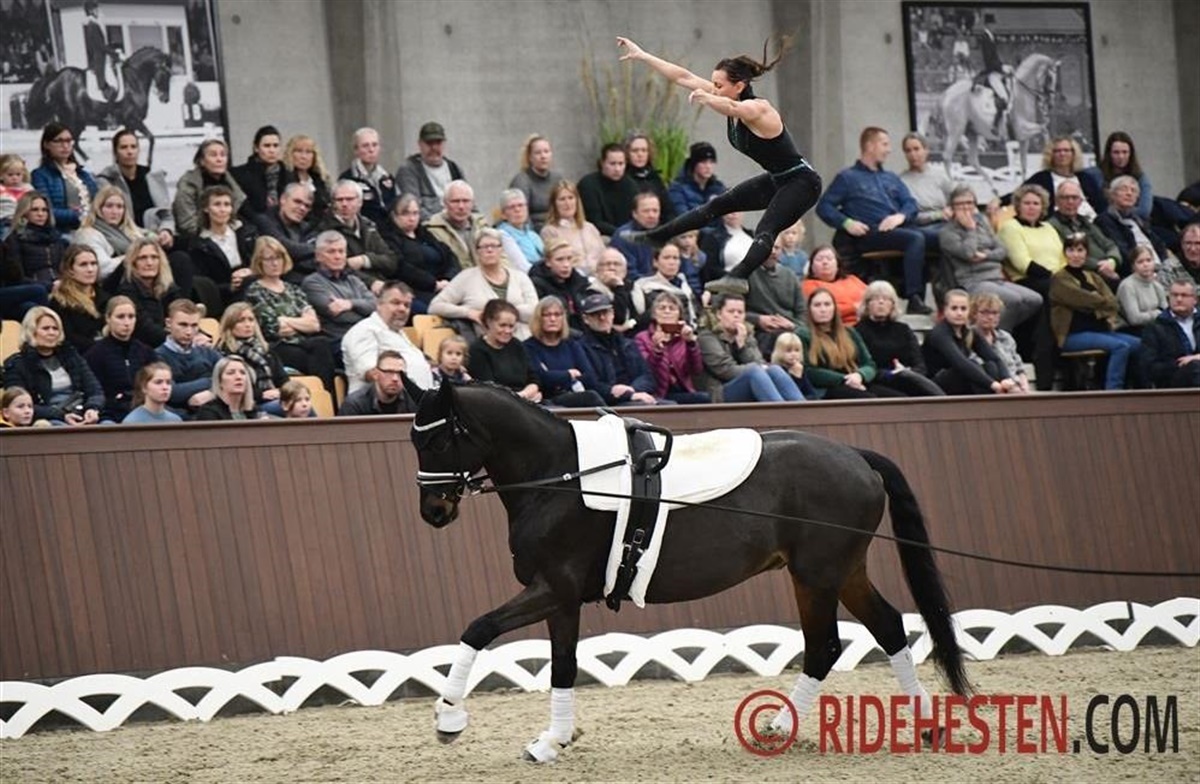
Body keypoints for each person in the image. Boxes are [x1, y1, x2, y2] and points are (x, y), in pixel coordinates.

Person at [618, 36, 822, 298]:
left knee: (766, 228)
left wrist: (707, 98)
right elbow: (683, 76)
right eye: (712, 84)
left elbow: (731, 106)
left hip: (803, 182)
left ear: (739, 86)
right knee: (717, 205)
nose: (713, 89)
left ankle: (738, 278)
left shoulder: (759, 109)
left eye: (719, 85)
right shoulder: (723, 96)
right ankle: (658, 236)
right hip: (778, 179)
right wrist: (643, 55)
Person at [816, 127, 931, 314]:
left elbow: (910, 203)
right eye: (885, 144)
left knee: (938, 238)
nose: (889, 150)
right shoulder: (848, 177)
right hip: (870, 234)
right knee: (915, 239)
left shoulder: (891, 178)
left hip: (898, 228)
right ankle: (914, 298)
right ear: (870, 146)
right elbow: (824, 206)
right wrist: (847, 223)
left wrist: (899, 216)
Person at [941, 185, 1042, 332]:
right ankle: (996, 336)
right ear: (952, 207)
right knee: (1013, 300)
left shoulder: (982, 222)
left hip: (996, 278)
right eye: (960, 204)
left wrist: (986, 255)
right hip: (973, 281)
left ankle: (997, 331)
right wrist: (970, 229)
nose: (966, 208)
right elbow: (968, 253)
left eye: (969, 203)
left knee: (1034, 300)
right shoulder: (947, 232)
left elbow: (1002, 250)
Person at [242, 237, 337, 394]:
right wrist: (300, 323)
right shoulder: (255, 291)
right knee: (317, 354)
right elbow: (275, 329)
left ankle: (323, 397)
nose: (275, 263)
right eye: (269, 259)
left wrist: (286, 320)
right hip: (277, 346)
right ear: (259, 262)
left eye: (278, 257)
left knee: (321, 344)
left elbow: (314, 325)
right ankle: (321, 396)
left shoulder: (293, 289)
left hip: (303, 343)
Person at [1049, 233, 1141, 390]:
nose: (1076, 255)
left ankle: (1139, 388)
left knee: (1140, 344)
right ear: (1065, 253)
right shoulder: (1059, 279)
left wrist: (1094, 302)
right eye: (1071, 250)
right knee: (1120, 347)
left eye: (1080, 250)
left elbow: (1113, 303)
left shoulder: (1093, 276)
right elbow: (1080, 299)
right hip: (1072, 335)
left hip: (1100, 331)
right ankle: (1113, 392)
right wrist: (1097, 301)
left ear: (1086, 253)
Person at [429, 228, 538, 340]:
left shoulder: (520, 277)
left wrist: (505, 313)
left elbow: (535, 311)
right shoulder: (466, 277)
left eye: (494, 246)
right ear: (477, 251)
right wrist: (468, 312)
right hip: (485, 342)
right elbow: (435, 306)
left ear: (501, 249)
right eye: (484, 247)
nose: (489, 250)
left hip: (523, 340)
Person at [2, 306, 105, 424]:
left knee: (108, 425)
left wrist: (92, 408)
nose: (51, 333)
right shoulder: (16, 364)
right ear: (31, 331)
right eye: (45, 328)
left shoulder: (72, 356)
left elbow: (95, 391)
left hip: (81, 413)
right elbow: (17, 405)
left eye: (55, 328)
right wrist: (62, 416)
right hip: (47, 420)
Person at [700, 291, 807, 402]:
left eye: (740, 312)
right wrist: (757, 368)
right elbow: (725, 370)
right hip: (720, 393)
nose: (736, 315)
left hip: (750, 384)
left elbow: (758, 361)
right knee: (754, 371)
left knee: (774, 369)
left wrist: (742, 347)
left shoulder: (746, 334)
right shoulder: (707, 337)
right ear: (719, 314)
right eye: (731, 311)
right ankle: (779, 410)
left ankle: (802, 408)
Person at [800, 288, 903, 399]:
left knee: (897, 398)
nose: (823, 309)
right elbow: (808, 371)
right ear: (809, 310)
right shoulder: (803, 334)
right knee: (868, 399)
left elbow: (869, 364)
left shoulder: (849, 332)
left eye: (827, 304)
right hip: (827, 389)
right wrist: (845, 379)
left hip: (857, 381)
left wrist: (860, 375)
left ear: (834, 308)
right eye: (817, 305)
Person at [341, 280, 433, 394]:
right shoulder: (364, 331)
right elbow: (370, 373)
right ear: (379, 304)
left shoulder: (398, 332)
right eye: (395, 303)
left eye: (407, 305)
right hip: (380, 402)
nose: (402, 309)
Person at [855, 280, 945, 397]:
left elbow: (920, 365)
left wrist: (906, 372)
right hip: (875, 383)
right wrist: (890, 374)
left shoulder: (903, 329)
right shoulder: (858, 331)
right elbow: (860, 366)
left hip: (907, 379)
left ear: (893, 304)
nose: (881, 302)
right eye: (875, 298)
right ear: (867, 304)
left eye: (886, 299)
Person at [923, 289, 1017, 395]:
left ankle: (991, 399)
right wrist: (992, 384)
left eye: (963, 309)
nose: (959, 313)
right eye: (954, 308)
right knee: (971, 366)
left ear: (969, 311)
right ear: (945, 310)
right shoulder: (939, 333)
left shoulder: (969, 332)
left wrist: (1006, 379)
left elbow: (994, 358)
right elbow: (960, 362)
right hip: (935, 383)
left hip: (960, 379)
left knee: (991, 366)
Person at [377, 193, 460, 311]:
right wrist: (433, 284)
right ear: (394, 215)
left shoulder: (424, 234)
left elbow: (449, 256)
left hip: (444, 287)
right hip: (413, 291)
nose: (412, 218)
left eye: (415, 213)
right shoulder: (388, 238)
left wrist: (448, 279)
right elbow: (400, 267)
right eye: (405, 214)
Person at [523, 296, 607, 408]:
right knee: (591, 397)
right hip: (547, 401)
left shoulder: (572, 345)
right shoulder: (529, 347)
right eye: (547, 315)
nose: (553, 319)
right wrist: (569, 374)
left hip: (574, 395)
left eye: (557, 315)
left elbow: (590, 377)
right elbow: (540, 379)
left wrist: (554, 376)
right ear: (539, 318)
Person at [96, 129, 177, 242]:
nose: (129, 152)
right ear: (115, 152)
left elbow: (167, 215)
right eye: (124, 147)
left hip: (158, 236)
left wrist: (166, 231)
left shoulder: (152, 177)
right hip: (127, 239)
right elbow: (115, 221)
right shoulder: (106, 181)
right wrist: (149, 236)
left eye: (133, 147)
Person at [577, 292, 659, 406]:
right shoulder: (580, 348)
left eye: (605, 312)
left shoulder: (628, 344)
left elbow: (648, 377)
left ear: (612, 314)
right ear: (586, 319)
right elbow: (591, 385)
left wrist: (632, 390)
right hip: (608, 404)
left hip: (637, 395)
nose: (602, 318)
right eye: (595, 314)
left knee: (671, 406)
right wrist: (628, 395)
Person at [82, 295, 155, 421]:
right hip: (109, 414)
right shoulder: (95, 354)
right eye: (120, 317)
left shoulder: (146, 352)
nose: (127, 323)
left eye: (131, 317)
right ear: (108, 318)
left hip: (144, 410)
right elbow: (93, 390)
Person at [315, 180, 399, 288]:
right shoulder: (326, 229)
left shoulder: (368, 225)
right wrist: (371, 282)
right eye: (339, 200)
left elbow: (391, 261)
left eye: (349, 199)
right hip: (350, 288)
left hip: (381, 283)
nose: (344, 204)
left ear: (360, 202)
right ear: (333, 203)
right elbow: (338, 266)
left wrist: (364, 260)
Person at [187, 184, 258, 311]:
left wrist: (251, 271)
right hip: (225, 297)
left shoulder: (246, 233)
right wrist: (230, 287)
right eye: (217, 204)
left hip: (254, 284)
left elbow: (261, 260)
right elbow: (204, 283)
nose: (223, 209)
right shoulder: (199, 245)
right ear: (206, 208)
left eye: (227, 204)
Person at [635, 291, 710, 404]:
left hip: (681, 391)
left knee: (705, 398)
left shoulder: (684, 337)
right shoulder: (642, 338)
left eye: (672, 308)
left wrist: (691, 344)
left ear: (679, 315)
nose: (667, 311)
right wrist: (657, 351)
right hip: (656, 393)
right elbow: (646, 372)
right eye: (662, 308)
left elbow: (696, 369)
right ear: (654, 314)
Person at [215, 302, 290, 413]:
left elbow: (283, 378)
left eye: (251, 320)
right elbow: (231, 386)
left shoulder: (265, 350)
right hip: (249, 404)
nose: (248, 324)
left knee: (299, 402)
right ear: (230, 325)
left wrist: (284, 392)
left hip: (275, 397)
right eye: (241, 321)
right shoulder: (225, 352)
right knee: (291, 406)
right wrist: (262, 394)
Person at [301, 231, 376, 341]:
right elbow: (343, 317)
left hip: (368, 334)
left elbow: (375, 306)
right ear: (318, 256)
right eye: (331, 252)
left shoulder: (354, 280)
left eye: (341, 251)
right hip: (340, 339)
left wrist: (349, 304)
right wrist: (363, 308)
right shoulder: (312, 282)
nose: (337, 256)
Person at [74, 184, 154, 282]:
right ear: (98, 208)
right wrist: (133, 256)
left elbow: (148, 235)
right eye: (109, 206)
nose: (114, 211)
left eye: (119, 207)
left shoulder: (127, 230)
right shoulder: (88, 235)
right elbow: (102, 269)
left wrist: (156, 236)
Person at [465, 299, 541, 402]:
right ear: (489, 322)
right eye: (502, 325)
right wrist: (519, 398)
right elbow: (489, 389)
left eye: (511, 326)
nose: (507, 331)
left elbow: (534, 379)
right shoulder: (477, 350)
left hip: (524, 399)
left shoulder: (517, 345)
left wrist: (525, 394)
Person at [1046, 180, 1121, 283]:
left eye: (1074, 198)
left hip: (1107, 268)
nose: (1070, 202)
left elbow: (1110, 244)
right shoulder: (1052, 225)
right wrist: (1100, 266)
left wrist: (1112, 261)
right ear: (1056, 201)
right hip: (1083, 273)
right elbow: (1066, 254)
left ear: (1080, 201)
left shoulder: (1086, 222)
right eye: (1065, 197)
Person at [155, 299, 221, 414]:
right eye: (183, 325)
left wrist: (212, 393)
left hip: (213, 413)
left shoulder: (208, 352)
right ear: (168, 323)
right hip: (178, 416)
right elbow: (172, 392)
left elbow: (234, 376)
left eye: (194, 325)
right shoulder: (158, 356)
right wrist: (211, 381)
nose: (189, 332)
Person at [172, 139, 247, 239]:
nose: (219, 159)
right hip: (196, 237)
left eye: (223, 155)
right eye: (213, 155)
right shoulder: (189, 184)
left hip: (229, 234)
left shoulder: (231, 182)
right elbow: (187, 223)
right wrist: (217, 232)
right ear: (202, 161)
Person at [30, 123, 98, 232]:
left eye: (68, 141)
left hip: (93, 227)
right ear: (46, 144)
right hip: (62, 232)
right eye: (59, 141)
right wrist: (79, 214)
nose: (65, 145)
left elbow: (98, 200)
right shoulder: (40, 175)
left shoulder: (83, 173)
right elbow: (47, 210)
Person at [744, 235, 805, 356]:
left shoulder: (790, 276)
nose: (772, 251)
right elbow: (732, 310)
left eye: (777, 248)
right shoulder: (745, 275)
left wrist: (793, 326)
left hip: (791, 331)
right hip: (761, 332)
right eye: (768, 247)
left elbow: (802, 311)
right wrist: (758, 319)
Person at [395, 122, 466, 222]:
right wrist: (442, 225)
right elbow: (413, 209)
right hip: (429, 227)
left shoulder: (454, 169)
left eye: (438, 143)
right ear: (420, 144)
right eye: (429, 143)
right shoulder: (409, 170)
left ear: (444, 144)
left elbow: (470, 204)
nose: (434, 148)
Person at [1095, 175, 1169, 271]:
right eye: (1124, 189)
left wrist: (1164, 265)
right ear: (1112, 194)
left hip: (1158, 267)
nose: (1129, 193)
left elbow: (1159, 244)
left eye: (1133, 191)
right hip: (1138, 270)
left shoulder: (1138, 220)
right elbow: (1122, 251)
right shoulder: (1105, 220)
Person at [116, 238, 181, 346]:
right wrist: (176, 338)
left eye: (154, 257)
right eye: (142, 258)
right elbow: (144, 326)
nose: (149, 263)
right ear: (133, 262)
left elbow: (183, 314)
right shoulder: (127, 290)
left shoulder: (168, 286)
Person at [898, 132, 954, 253]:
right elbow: (909, 216)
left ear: (926, 150)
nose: (913, 154)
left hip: (947, 223)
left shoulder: (940, 175)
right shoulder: (901, 181)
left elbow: (955, 198)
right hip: (923, 227)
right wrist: (937, 215)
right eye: (908, 151)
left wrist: (952, 210)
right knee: (949, 237)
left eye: (916, 149)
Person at [1022, 136, 1104, 218]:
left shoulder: (1085, 178)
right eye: (1057, 151)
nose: (1062, 154)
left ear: (1074, 153)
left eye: (1066, 150)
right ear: (1050, 154)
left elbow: (1101, 205)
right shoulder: (1040, 179)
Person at [1140, 279, 1199, 388]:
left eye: (1184, 295)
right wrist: (1184, 364)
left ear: (1195, 299)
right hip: (1172, 379)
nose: (1179, 299)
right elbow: (1149, 367)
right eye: (1174, 295)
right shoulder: (1155, 327)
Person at [251, 182, 317, 276]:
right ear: (283, 199)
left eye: (307, 206)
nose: (302, 208)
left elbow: (315, 262)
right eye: (297, 201)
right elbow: (286, 248)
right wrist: (320, 248)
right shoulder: (265, 221)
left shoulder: (307, 227)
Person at [970, 292, 1031, 393]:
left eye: (995, 313)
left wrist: (1024, 385)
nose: (990, 317)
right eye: (984, 312)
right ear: (974, 314)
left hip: (1015, 387)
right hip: (989, 388)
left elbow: (1019, 367)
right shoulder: (969, 337)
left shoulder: (1005, 337)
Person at [49, 244, 107, 351]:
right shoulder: (60, 302)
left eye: (93, 264)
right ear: (70, 269)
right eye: (83, 265)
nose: (90, 269)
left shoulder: (105, 297)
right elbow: (68, 338)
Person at [1085, 131, 1153, 221]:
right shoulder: (1094, 175)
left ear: (1131, 154)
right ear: (1109, 154)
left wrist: (1121, 211)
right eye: (1116, 152)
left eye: (1125, 152)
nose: (1121, 156)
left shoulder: (1140, 177)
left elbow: (1144, 211)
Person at [3, 191, 66, 287]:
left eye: (44, 210)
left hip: (60, 285)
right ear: (24, 212)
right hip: (32, 288)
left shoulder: (56, 238)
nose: (40, 214)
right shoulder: (14, 240)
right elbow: (16, 278)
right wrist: (49, 285)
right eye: (34, 210)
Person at [540, 180, 605, 272]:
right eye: (562, 199)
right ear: (554, 204)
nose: (567, 203)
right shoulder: (549, 231)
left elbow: (603, 255)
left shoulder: (590, 227)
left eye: (571, 198)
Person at [576, 143, 639, 237]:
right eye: (612, 164)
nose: (617, 169)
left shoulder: (631, 185)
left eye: (621, 164)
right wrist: (621, 234)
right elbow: (594, 221)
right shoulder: (588, 185)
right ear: (602, 163)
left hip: (628, 235)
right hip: (598, 235)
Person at [231, 125, 292, 219]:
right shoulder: (239, 175)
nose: (272, 150)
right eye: (267, 146)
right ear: (256, 148)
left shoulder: (290, 177)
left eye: (276, 146)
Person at [425, 180, 490, 269]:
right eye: (455, 201)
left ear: (472, 203)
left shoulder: (482, 225)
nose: (461, 206)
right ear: (445, 203)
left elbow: (501, 257)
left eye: (466, 201)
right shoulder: (431, 230)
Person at [338, 127, 396, 225]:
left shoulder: (387, 178)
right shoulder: (348, 179)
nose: (371, 150)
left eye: (375, 145)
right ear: (356, 150)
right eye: (365, 146)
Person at [631, 241, 698, 325]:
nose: (672, 263)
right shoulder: (643, 286)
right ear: (655, 262)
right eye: (666, 258)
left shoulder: (685, 285)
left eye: (675, 258)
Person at [529, 240, 591, 329]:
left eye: (569, 258)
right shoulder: (537, 284)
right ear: (548, 262)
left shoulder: (579, 281)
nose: (566, 265)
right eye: (560, 260)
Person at [800, 244, 867, 327]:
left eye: (829, 259)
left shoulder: (852, 279)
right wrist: (854, 307)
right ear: (812, 267)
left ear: (837, 264)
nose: (825, 262)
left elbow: (871, 297)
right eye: (819, 259)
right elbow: (824, 310)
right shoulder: (808, 285)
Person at [337, 349, 419, 416]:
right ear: (376, 374)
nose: (395, 378)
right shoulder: (355, 404)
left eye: (400, 374)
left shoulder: (414, 401)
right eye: (388, 372)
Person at [509, 134, 563, 231]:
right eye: (538, 153)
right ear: (530, 157)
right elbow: (520, 215)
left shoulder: (557, 178)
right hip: (534, 230)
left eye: (546, 151)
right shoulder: (521, 181)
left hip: (558, 227)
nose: (543, 156)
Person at [667, 141, 727, 224]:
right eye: (703, 162)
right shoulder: (678, 188)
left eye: (711, 162)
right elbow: (682, 218)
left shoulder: (719, 188)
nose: (708, 166)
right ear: (694, 164)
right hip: (691, 230)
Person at [608, 192, 663, 280]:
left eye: (655, 211)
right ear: (635, 214)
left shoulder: (662, 233)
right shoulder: (624, 237)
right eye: (646, 211)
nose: (651, 215)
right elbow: (629, 274)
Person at [194, 355, 266, 420]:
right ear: (219, 381)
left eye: (242, 373)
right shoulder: (209, 412)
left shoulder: (254, 410)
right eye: (230, 373)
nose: (238, 377)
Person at [1116, 246, 1168, 334]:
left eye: (1149, 260)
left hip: (1155, 327)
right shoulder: (1127, 286)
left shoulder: (1157, 285)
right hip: (1132, 330)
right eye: (1140, 262)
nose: (1145, 265)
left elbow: (1166, 311)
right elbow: (1134, 319)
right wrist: (1157, 313)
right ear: (1133, 266)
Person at [971, 28, 1010, 137]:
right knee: (1004, 99)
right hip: (993, 74)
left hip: (998, 72)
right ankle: (995, 125)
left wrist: (1004, 66)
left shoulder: (991, 37)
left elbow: (995, 58)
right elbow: (989, 60)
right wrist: (1002, 68)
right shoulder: (986, 38)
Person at [282, 134, 332, 219]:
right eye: (299, 151)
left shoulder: (321, 179)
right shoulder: (283, 178)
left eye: (308, 152)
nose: (303, 157)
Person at [586, 247, 637, 332]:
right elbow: (619, 318)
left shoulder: (634, 287)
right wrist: (619, 287)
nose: (612, 268)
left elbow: (645, 314)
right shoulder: (591, 291)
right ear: (597, 270)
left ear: (625, 270)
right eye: (607, 264)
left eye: (616, 264)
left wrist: (633, 323)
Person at [495, 188, 544, 270]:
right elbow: (522, 267)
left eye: (521, 205)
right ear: (503, 214)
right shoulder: (502, 235)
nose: (517, 210)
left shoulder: (533, 235)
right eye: (511, 207)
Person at [82, 0, 117, 101]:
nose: (98, 11)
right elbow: (100, 46)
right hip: (99, 61)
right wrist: (114, 53)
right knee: (113, 85)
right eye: (96, 9)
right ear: (91, 11)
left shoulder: (91, 25)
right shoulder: (93, 26)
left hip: (98, 59)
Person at [768, 332, 817, 399]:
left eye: (797, 350)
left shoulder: (799, 368)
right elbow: (789, 394)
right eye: (789, 351)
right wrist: (796, 378)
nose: (794, 354)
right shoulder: (776, 371)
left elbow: (812, 395)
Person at [0, 154, 33, 239]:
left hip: (25, 221)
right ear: (1, 175)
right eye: (10, 175)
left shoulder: (28, 189)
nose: (14, 178)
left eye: (18, 174)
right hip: (5, 221)